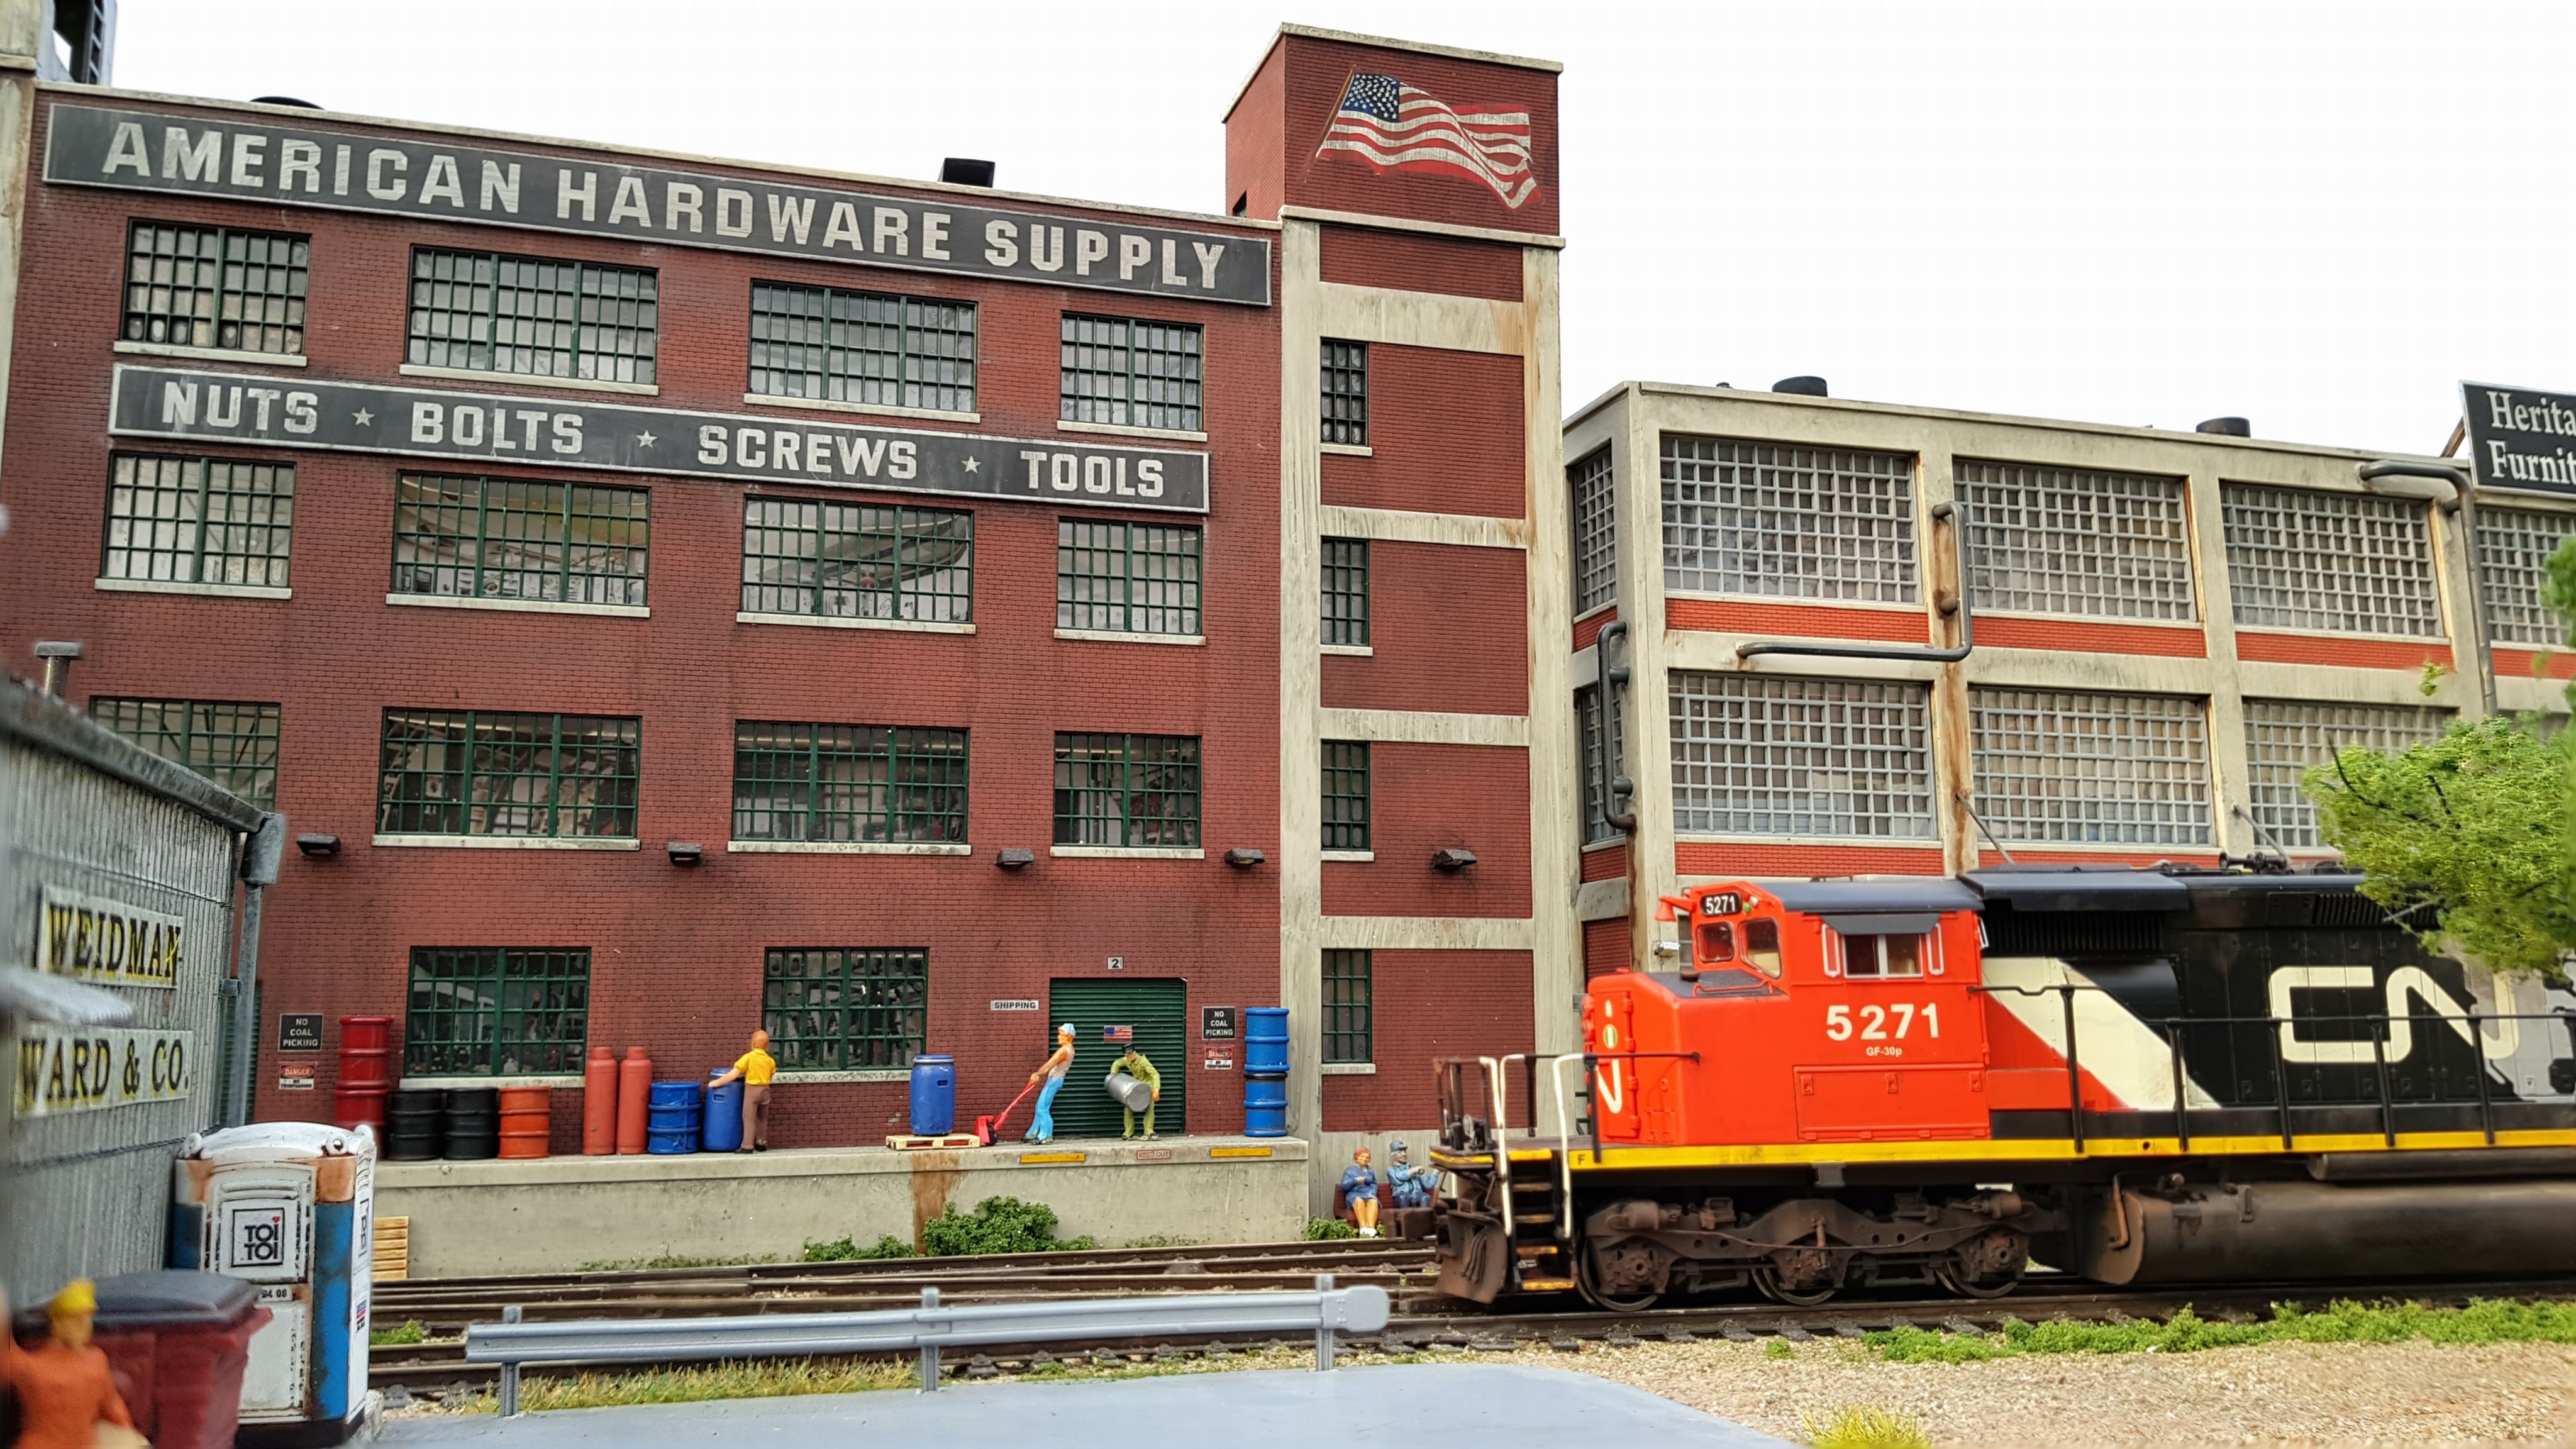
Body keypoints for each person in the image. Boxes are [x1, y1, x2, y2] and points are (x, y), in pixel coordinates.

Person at [4, 1279, 142, 1449]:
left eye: (88, 1318)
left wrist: (128, 1436)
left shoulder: (96, 1362)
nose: (85, 1325)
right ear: (57, 1323)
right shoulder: (32, 1367)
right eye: (76, 1319)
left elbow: (113, 1407)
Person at [708, 1028, 777, 1153]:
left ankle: (747, 1146)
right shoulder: (770, 1061)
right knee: (762, 1118)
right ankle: (761, 1142)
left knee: (749, 1117)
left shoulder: (749, 1058)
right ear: (767, 1045)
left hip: (753, 1089)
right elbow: (771, 1076)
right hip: (766, 1090)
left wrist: (717, 1083)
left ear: (753, 1043)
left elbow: (733, 1074)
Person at [1026, 1023, 1075, 1144]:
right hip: (1054, 1079)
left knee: (1043, 1108)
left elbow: (1050, 1063)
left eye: (1061, 1035)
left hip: (1054, 1080)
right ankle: (1032, 1133)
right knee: (1040, 1106)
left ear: (1068, 1036)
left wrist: (1038, 1074)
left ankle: (1046, 1135)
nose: (1058, 1037)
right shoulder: (1070, 1050)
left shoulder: (1064, 1051)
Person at [1109, 1042, 1162, 1140]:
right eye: (1128, 1055)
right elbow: (1116, 1064)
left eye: (1131, 1053)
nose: (1130, 1056)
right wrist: (1113, 1076)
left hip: (1147, 1086)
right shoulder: (1126, 1060)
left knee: (1149, 1107)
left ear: (1135, 1052)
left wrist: (1156, 1090)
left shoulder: (1143, 1062)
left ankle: (1149, 1131)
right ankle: (1128, 1132)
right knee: (1128, 1107)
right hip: (1136, 1086)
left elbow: (1155, 1075)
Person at [1340, 1145, 1382, 1238]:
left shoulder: (1370, 1171)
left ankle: (1371, 1228)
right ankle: (1363, 1227)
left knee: (1373, 1201)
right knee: (1359, 1201)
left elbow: (1374, 1183)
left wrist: (1372, 1192)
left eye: (1367, 1157)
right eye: (1362, 1157)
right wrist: (1355, 1180)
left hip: (1368, 1193)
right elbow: (1344, 1186)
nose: (1364, 1159)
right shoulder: (1350, 1170)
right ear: (1357, 1158)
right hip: (1354, 1194)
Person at [1385, 1138, 1436, 1209]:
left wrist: (1437, 1172)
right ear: (1394, 1155)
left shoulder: (1414, 1169)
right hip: (1400, 1195)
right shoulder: (1391, 1170)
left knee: (1425, 1198)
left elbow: (1428, 1185)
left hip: (1416, 1194)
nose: (1404, 1154)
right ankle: (1406, 1217)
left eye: (1404, 1152)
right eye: (1400, 1152)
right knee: (1403, 1199)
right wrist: (1413, 1171)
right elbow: (1397, 1179)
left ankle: (1424, 1216)